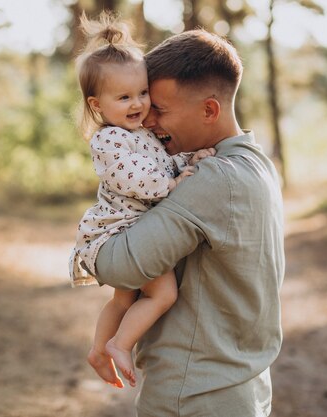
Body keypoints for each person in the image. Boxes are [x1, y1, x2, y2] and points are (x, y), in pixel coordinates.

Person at [93, 29, 286, 417]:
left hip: (195, 394)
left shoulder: (213, 178)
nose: (147, 120)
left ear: (209, 110)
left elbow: (117, 264)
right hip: (239, 389)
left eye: (159, 109)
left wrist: (96, 232)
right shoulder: (257, 163)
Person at [68, 13, 216, 389]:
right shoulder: (108, 140)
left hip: (133, 227)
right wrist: (175, 181)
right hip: (118, 228)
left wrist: (187, 161)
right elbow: (141, 181)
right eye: (123, 97)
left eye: (142, 94)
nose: (137, 104)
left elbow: (161, 164)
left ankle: (99, 350)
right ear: (97, 105)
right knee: (163, 294)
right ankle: (121, 344)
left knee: (122, 301)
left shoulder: (140, 133)